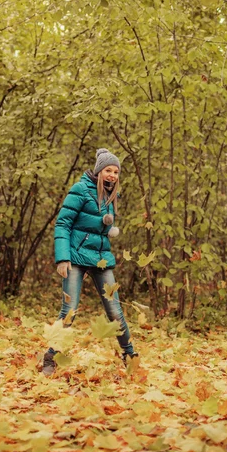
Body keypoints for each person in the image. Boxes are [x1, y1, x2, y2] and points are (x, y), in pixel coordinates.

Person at [43, 148, 138, 375]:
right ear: (99, 171)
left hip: (100, 258)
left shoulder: (111, 195)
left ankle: (130, 356)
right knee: (70, 310)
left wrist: (109, 229)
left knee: (115, 310)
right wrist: (63, 258)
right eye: (108, 170)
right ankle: (50, 357)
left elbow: (96, 226)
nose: (112, 175)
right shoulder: (80, 189)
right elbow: (63, 223)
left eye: (116, 171)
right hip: (75, 257)